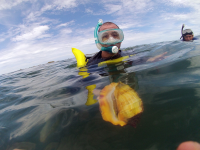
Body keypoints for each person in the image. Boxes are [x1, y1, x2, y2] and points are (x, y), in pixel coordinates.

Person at [87, 19, 167, 66]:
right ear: (98, 41)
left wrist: (150, 59)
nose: (111, 41)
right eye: (104, 37)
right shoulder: (91, 64)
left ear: (121, 39)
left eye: (115, 35)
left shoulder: (129, 55)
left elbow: (141, 60)